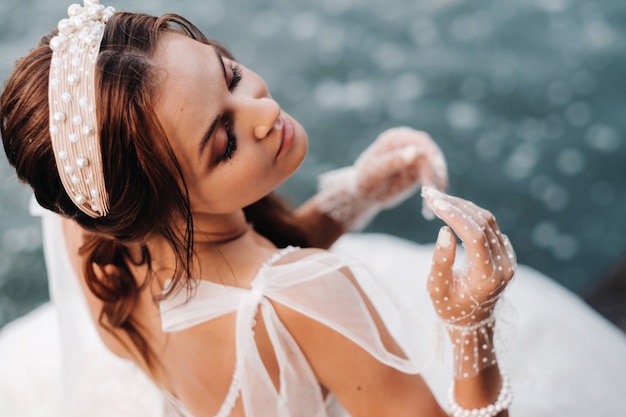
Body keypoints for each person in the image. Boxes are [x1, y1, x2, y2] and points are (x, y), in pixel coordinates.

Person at [1, 2, 625, 417]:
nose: (265, 112)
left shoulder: (92, 236)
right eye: (224, 140)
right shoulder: (310, 296)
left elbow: (248, 278)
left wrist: (359, 193)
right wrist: (472, 327)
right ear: (159, 203)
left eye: (231, 73)